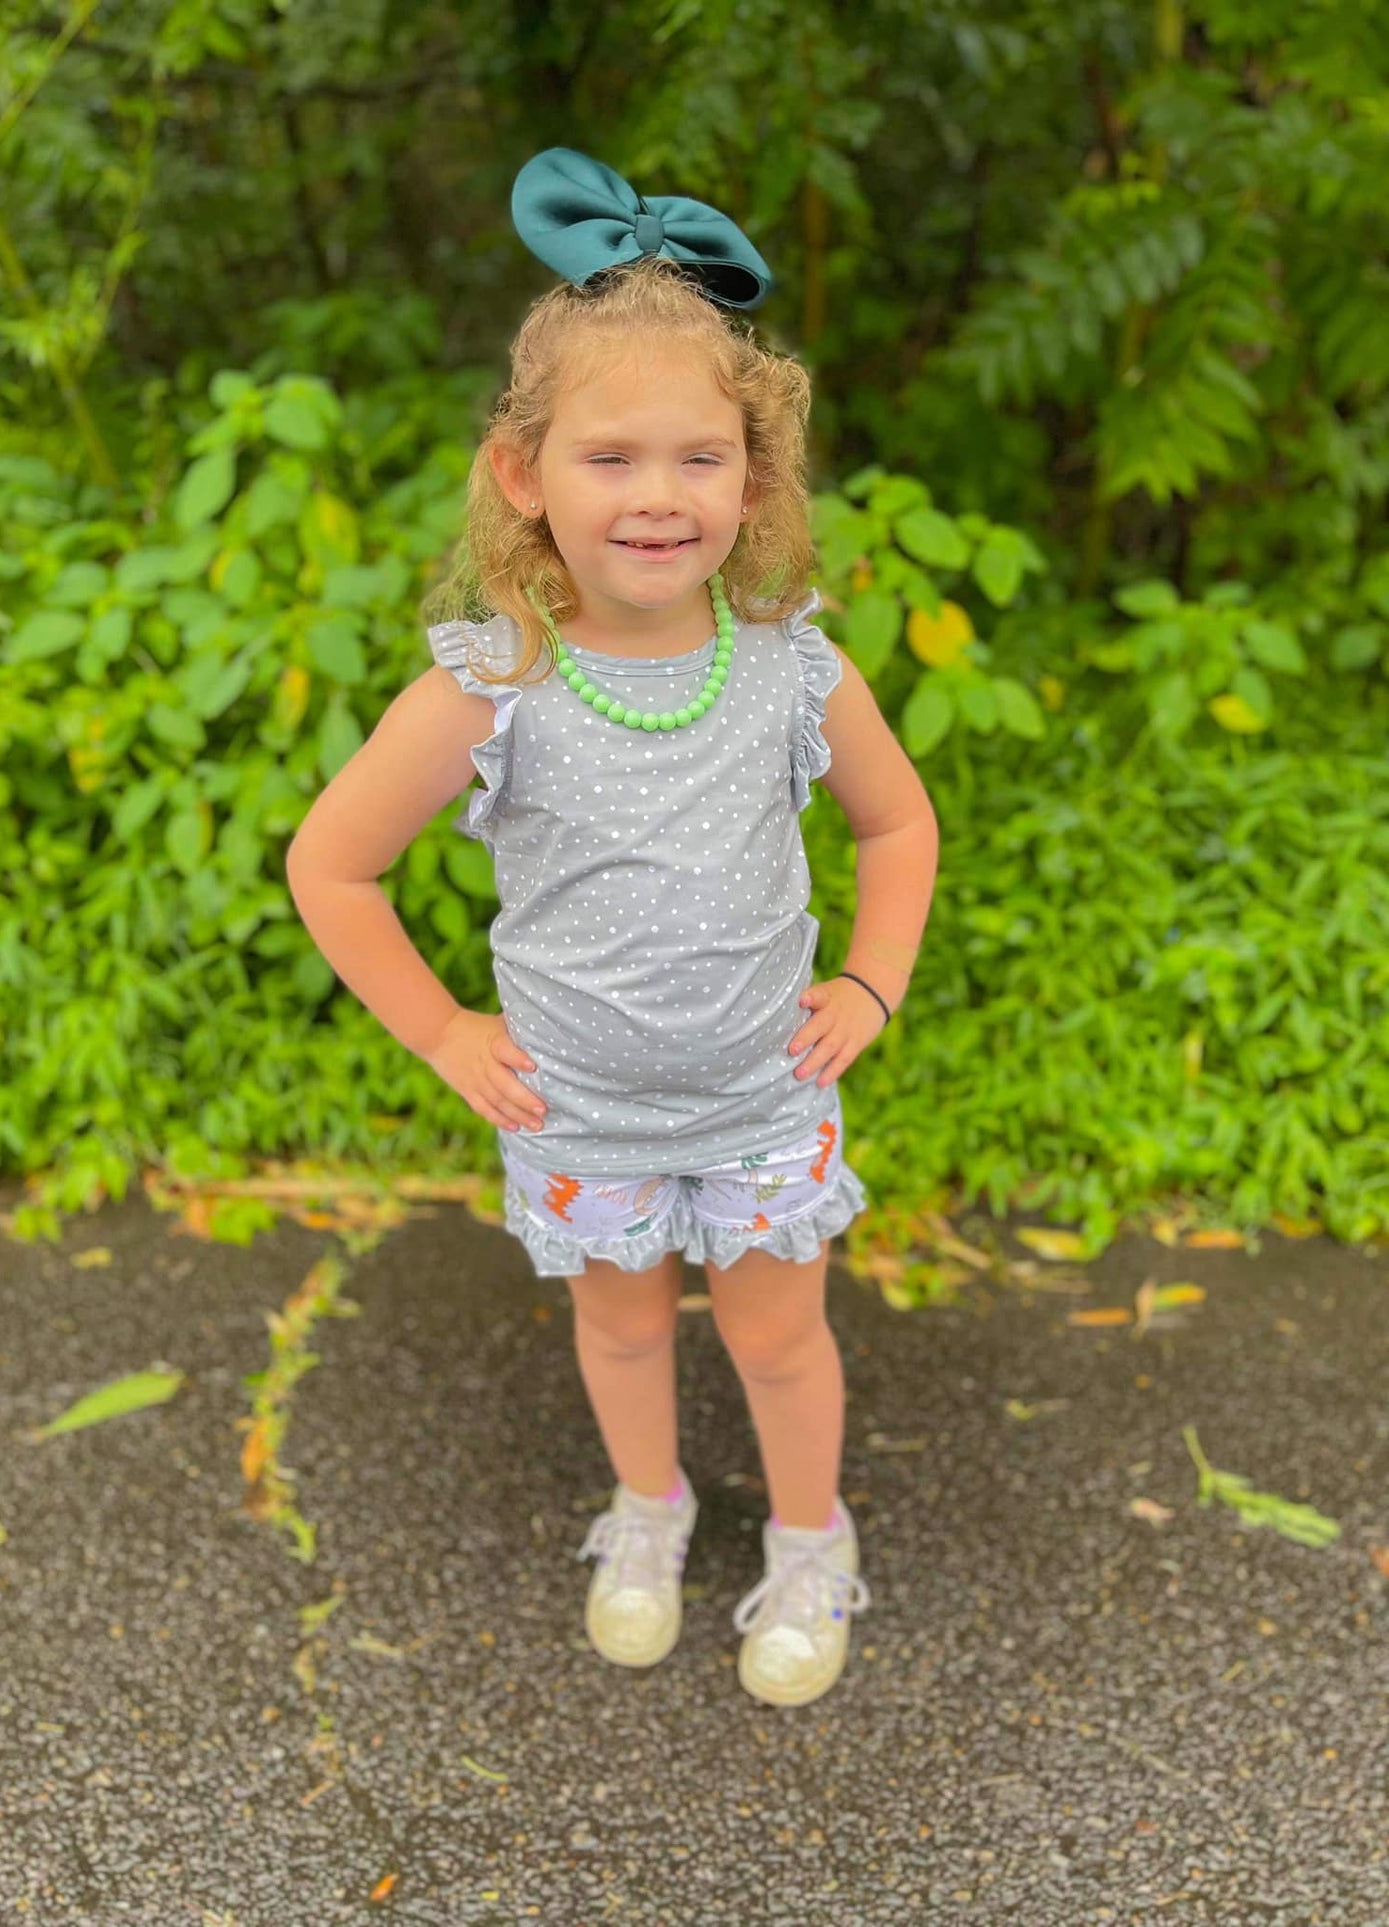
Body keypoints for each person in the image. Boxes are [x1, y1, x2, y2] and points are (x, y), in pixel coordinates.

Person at [285, 147, 939, 1709]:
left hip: (762, 1095)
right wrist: (441, 1030)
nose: (658, 496)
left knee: (778, 1340)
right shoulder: (486, 685)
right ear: (525, 475)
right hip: (579, 1101)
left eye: (700, 459)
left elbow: (895, 824)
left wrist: (871, 977)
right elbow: (331, 866)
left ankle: (805, 1538)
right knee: (624, 1328)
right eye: (611, 458)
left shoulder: (790, 669)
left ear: (753, 481)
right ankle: (646, 1512)